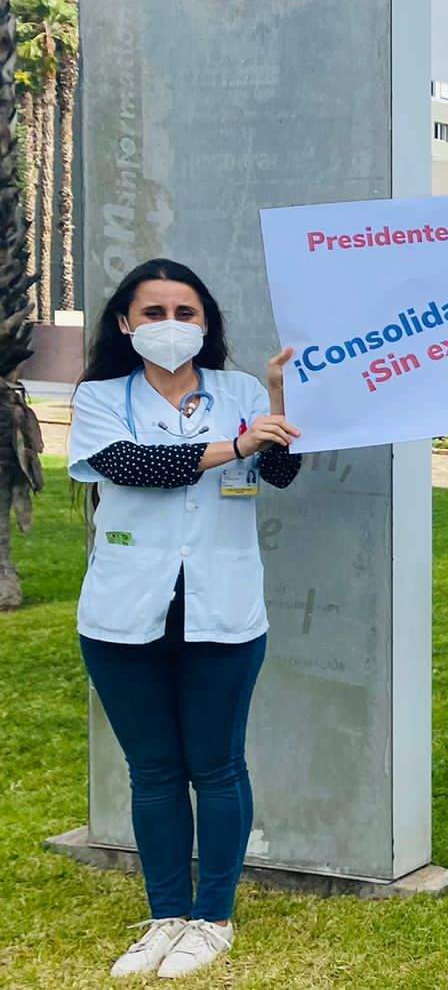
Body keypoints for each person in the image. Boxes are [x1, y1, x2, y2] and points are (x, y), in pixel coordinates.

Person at [66, 259, 303, 979]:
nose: (171, 326)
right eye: (154, 313)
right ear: (124, 324)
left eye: (186, 313)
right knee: (155, 771)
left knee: (218, 764)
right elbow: (129, 464)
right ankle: (167, 913)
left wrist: (284, 410)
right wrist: (236, 444)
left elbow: (282, 475)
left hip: (222, 609)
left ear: (207, 323)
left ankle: (213, 921)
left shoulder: (239, 391)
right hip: (123, 613)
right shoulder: (102, 397)